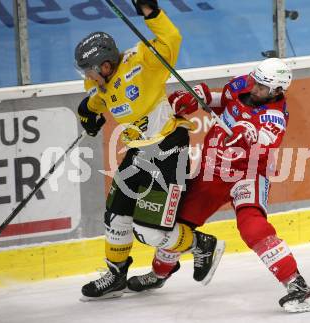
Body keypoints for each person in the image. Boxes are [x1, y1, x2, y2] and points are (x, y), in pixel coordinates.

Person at [127, 58, 310, 313]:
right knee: (178, 225)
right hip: (212, 173)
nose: (255, 89)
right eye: (256, 82)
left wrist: (247, 133)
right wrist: (199, 96)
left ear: (277, 91)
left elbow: (263, 137)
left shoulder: (275, 117)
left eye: (263, 87)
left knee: (253, 227)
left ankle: (298, 287)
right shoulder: (246, 84)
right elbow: (221, 100)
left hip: (247, 176)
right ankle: (159, 273)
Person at [74, 0, 224, 301]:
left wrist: (150, 13)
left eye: (90, 71)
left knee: (150, 232)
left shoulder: (142, 62)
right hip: (138, 154)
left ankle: (202, 244)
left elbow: (172, 39)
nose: (88, 77)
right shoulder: (103, 84)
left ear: (105, 65)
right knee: (116, 214)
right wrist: (86, 113)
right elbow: (97, 102)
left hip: (169, 151)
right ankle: (116, 275)